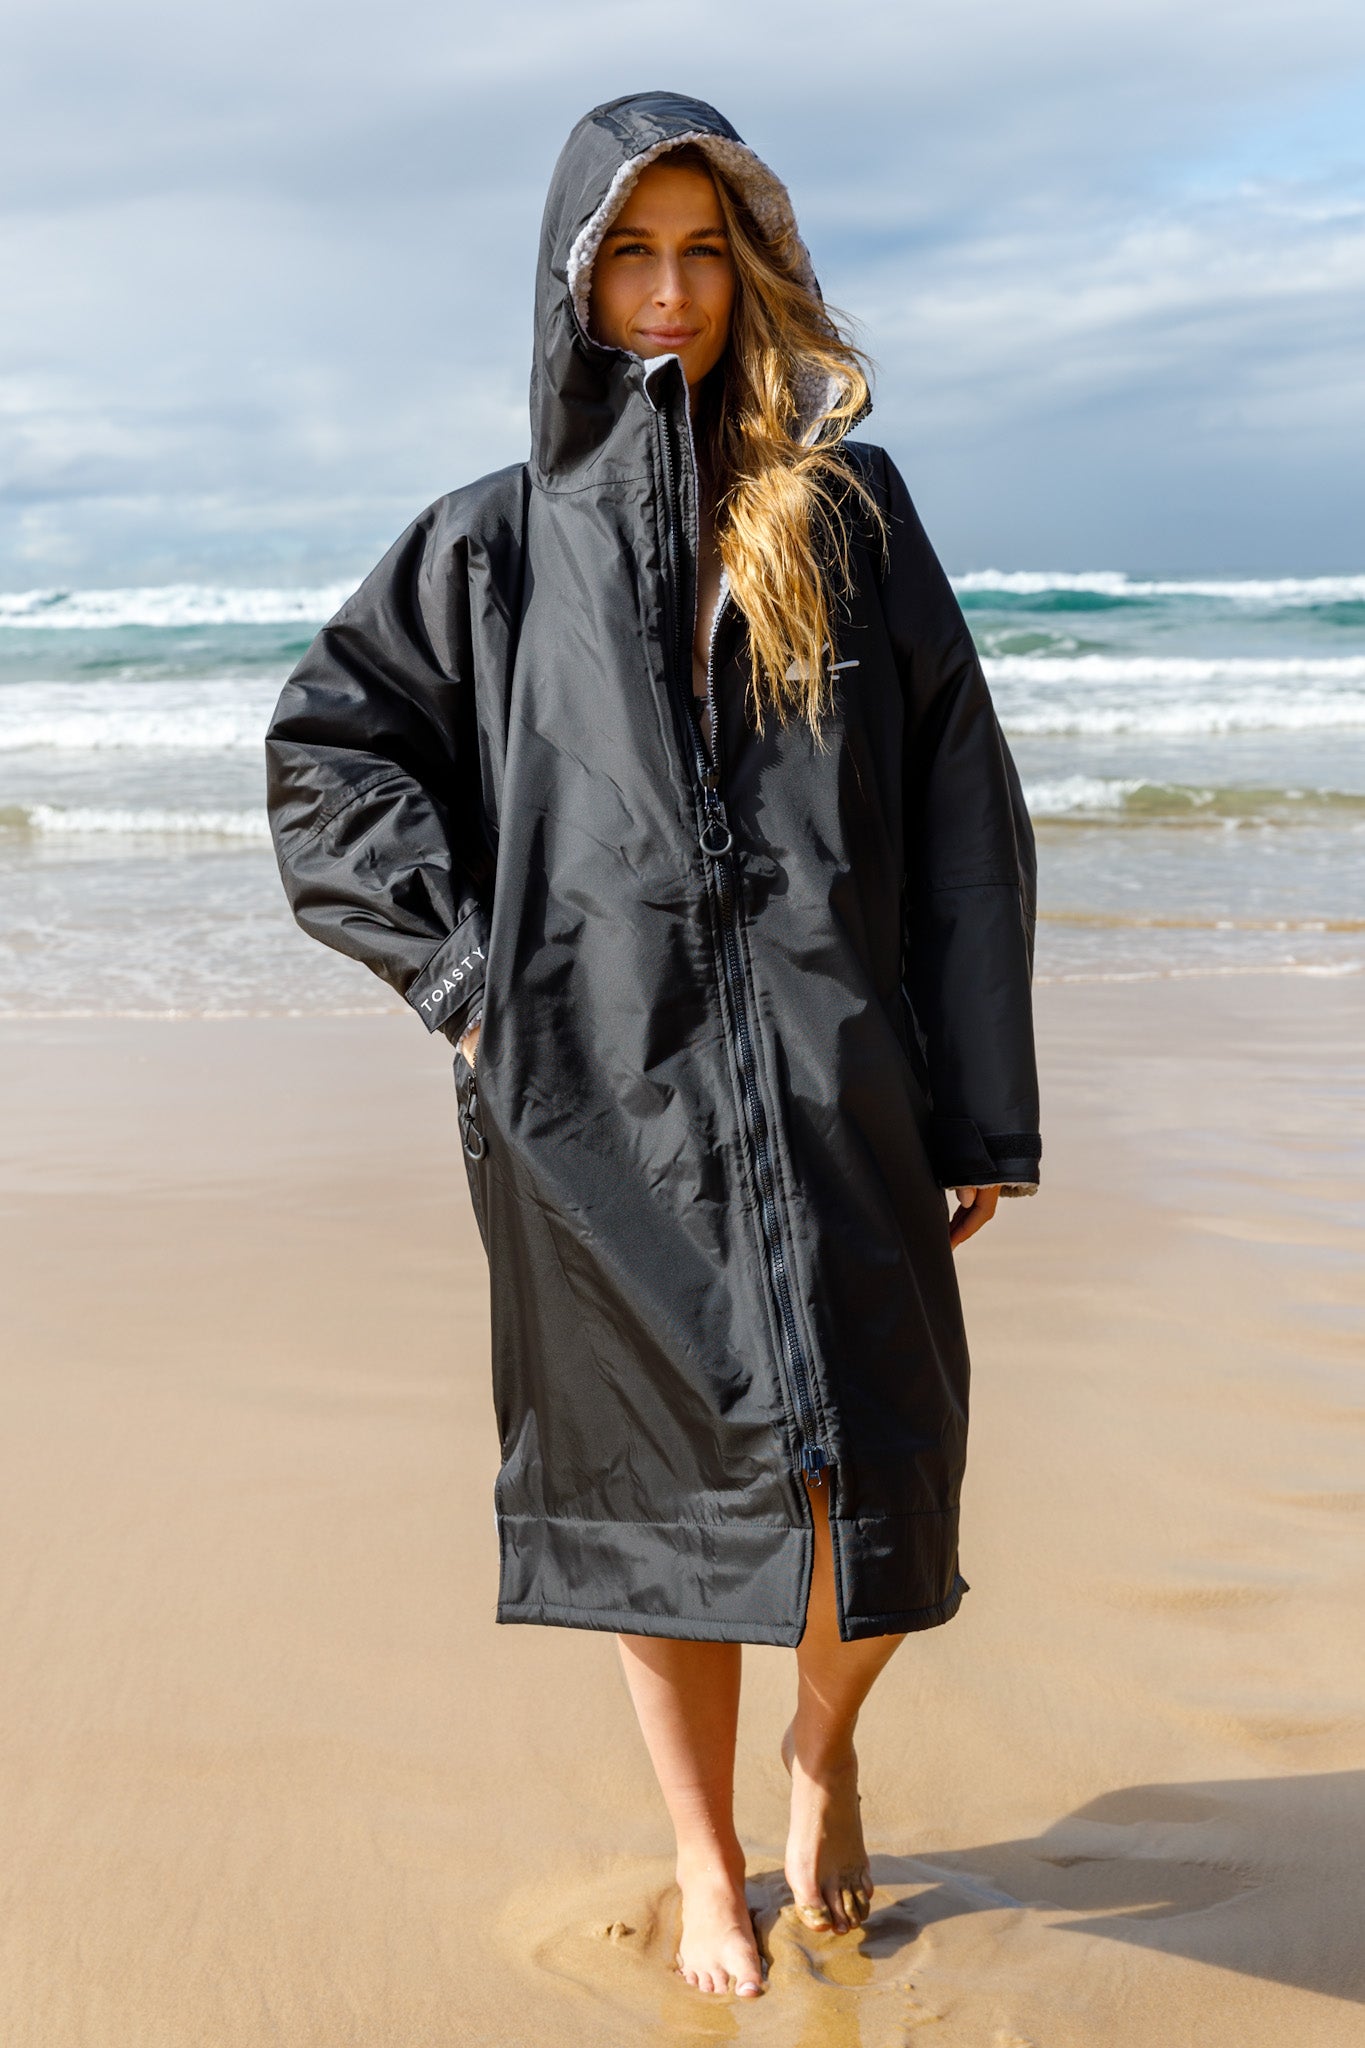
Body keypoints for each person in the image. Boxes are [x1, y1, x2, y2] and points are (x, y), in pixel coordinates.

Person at [265, 90, 1040, 2002]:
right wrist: (466, 991)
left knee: (881, 1468)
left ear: (748, 267)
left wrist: (980, 1104)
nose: (671, 291)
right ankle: (703, 1862)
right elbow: (327, 762)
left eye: (704, 251)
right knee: (657, 1498)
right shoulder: (488, 549)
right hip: (595, 1114)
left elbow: (959, 808)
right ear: (571, 278)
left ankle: (821, 1749)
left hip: (838, 1082)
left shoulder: (846, 517)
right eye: (633, 253)